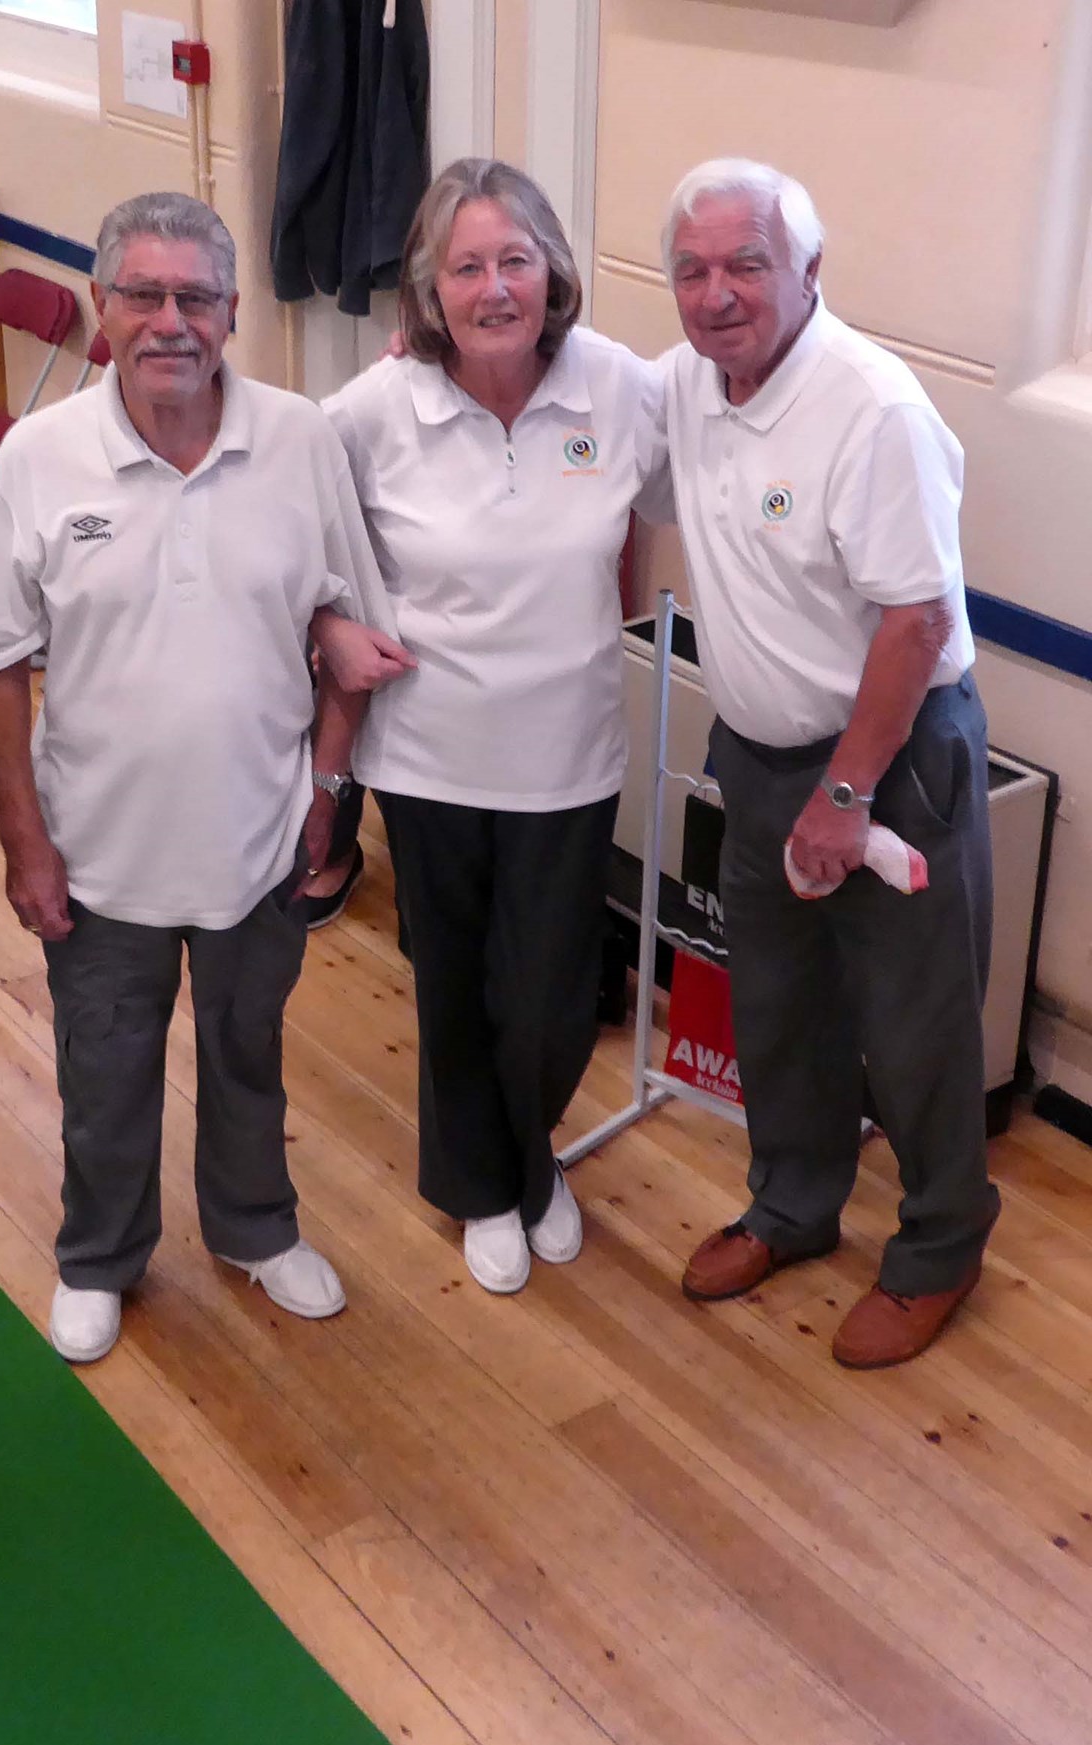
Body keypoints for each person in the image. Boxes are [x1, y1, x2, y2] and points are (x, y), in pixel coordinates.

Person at [0, 191, 383, 1365]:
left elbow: (347, 622)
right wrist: (24, 842)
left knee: (250, 1058)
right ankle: (100, 1255)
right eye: (142, 294)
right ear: (103, 311)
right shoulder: (40, 459)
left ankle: (255, 1228)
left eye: (195, 297)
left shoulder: (300, 441)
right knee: (106, 1072)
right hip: (98, 855)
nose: (170, 322)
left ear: (233, 313)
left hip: (259, 844)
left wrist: (328, 799)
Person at [311, 157, 673, 1294]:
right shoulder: (375, 408)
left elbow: (669, 503)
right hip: (428, 752)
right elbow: (292, 526)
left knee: (555, 999)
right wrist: (329, 625)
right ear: (428, 287)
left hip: (569, 754)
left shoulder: (620, 386)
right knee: (457, 985)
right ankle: (493, 1186)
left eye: (515, 260)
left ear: (553, 271)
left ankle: (527, 1154)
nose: (494, 288)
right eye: (465, 267)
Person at [660, 158, 997, 1366]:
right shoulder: (691, 386)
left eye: (747, 264)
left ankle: (940, 1245)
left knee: (915, 1025)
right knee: (779, 1009)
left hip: (888, 761)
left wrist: (844, 800)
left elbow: (914, 624)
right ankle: (793, 1205)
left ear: (809, 271)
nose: (717, 295)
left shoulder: (874, 410)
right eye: (692, 270)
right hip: (755, 759)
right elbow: (574, 403)